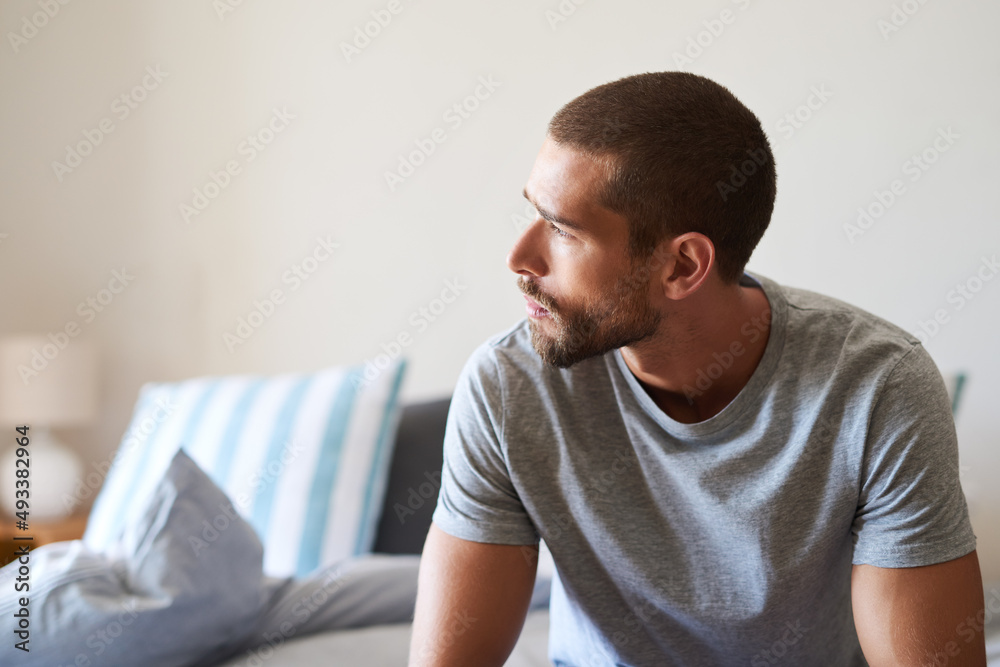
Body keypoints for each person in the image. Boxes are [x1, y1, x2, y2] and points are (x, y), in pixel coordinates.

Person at [408, 72, 986, 666]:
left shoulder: (877, 388)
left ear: (683, 266)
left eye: (561, 230)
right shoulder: (509, 385)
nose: (519, 258)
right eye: (533, 214)